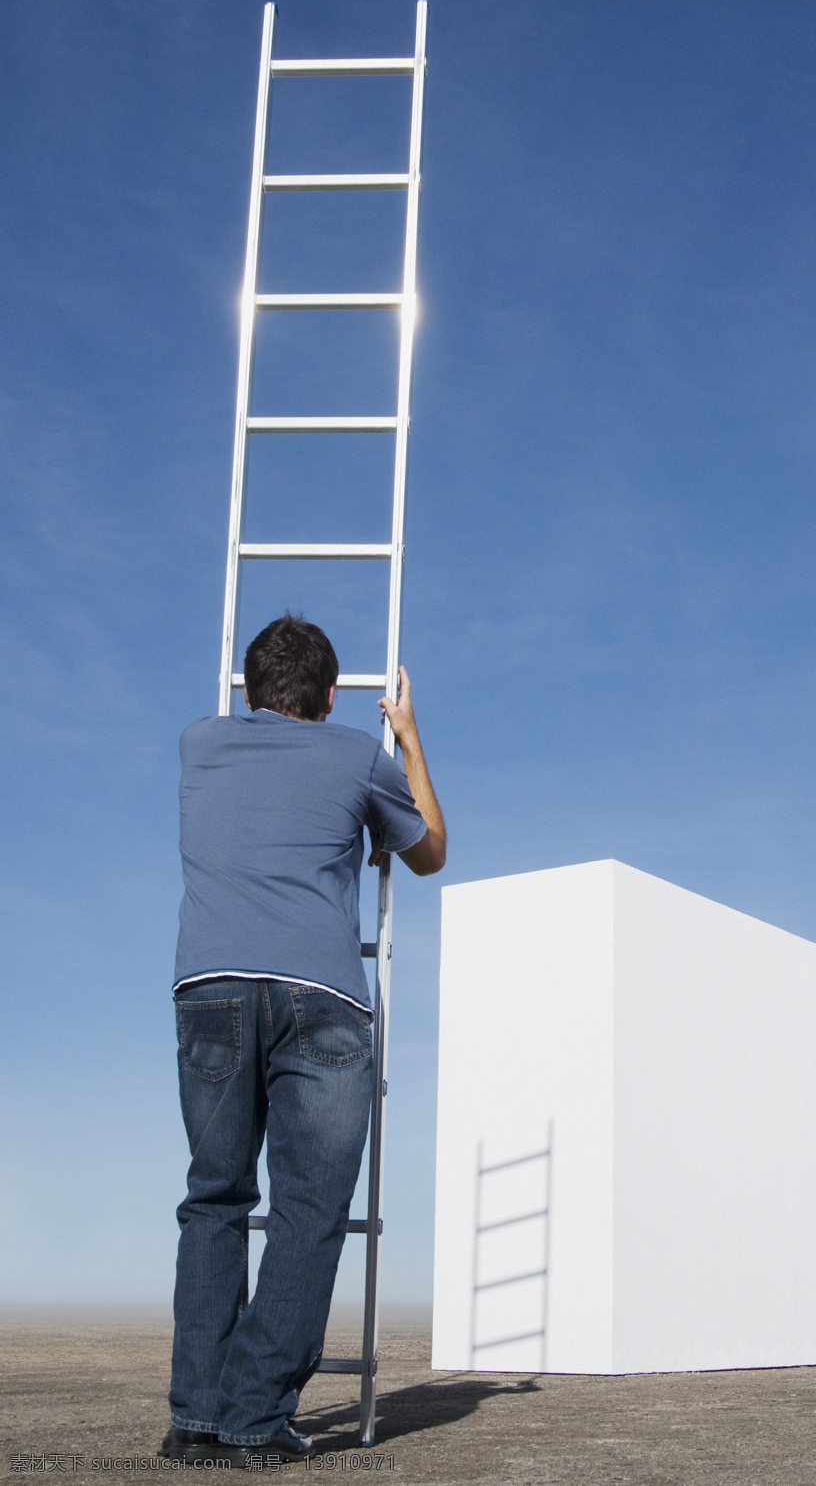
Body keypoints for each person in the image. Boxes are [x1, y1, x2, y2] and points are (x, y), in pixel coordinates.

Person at [160, 615, 446, 1466]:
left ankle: (196, 1419)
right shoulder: (358, 753)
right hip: (318, 996)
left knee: (214, 1198)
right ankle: (253, 1418)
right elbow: (429, 850)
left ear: (247, 690)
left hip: (208, 990)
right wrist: (409, 739)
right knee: (310, 1209)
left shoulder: (196, 744)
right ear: (330, 695)